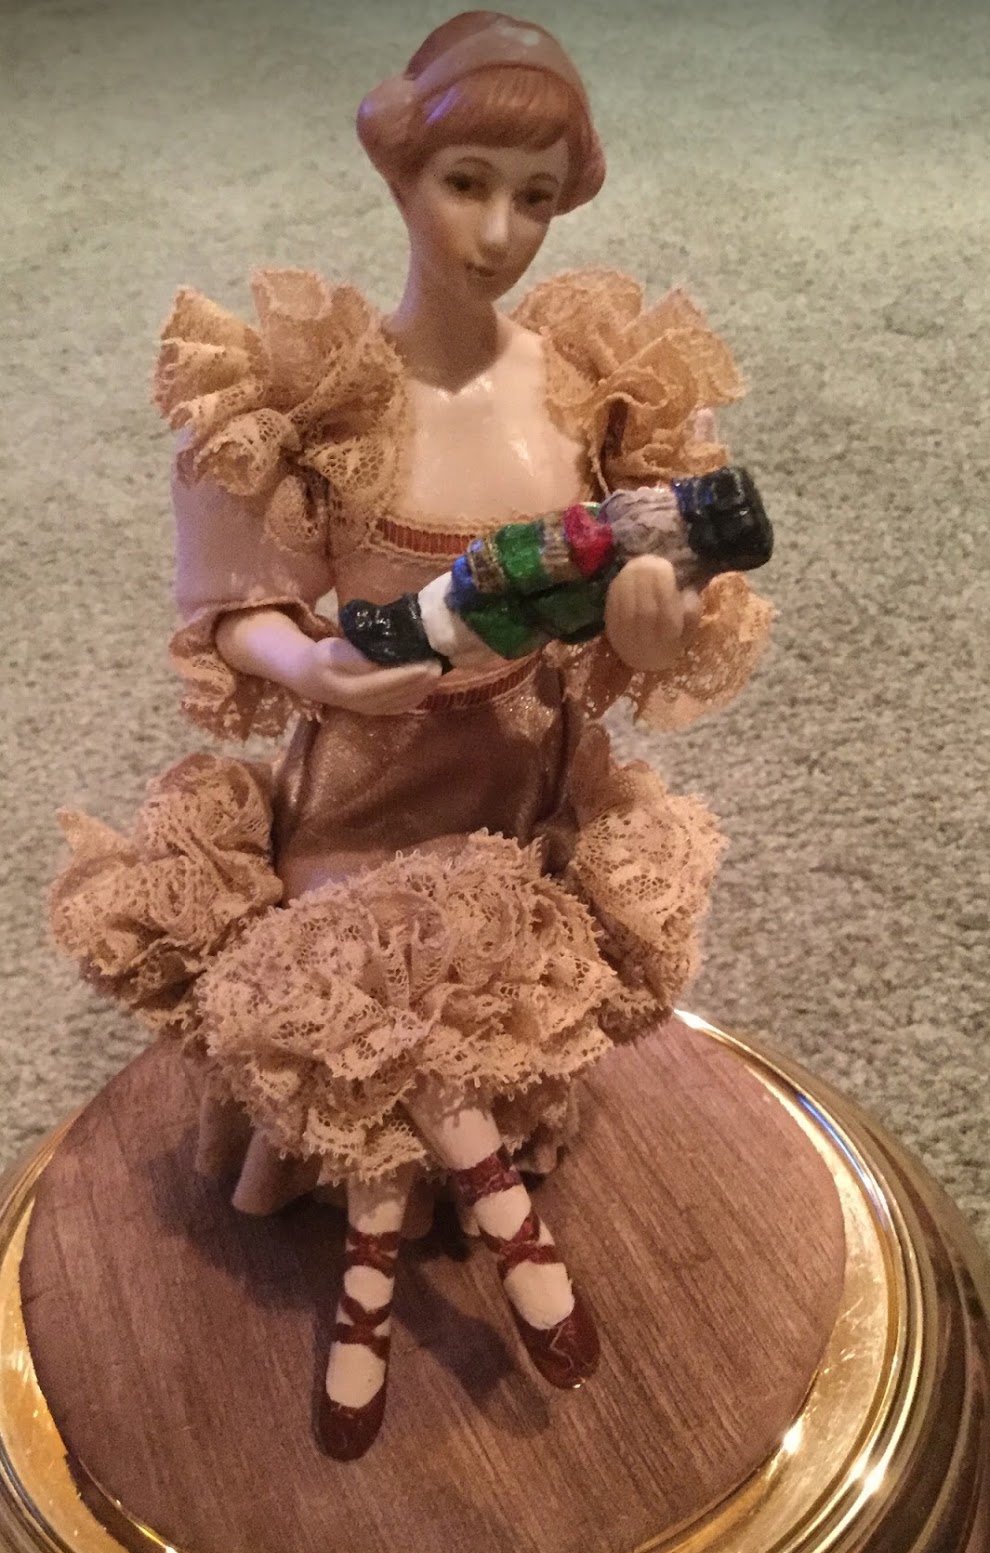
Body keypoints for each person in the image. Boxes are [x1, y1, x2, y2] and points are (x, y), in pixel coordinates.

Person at [51, 10, 773, 1459]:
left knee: (471, 969)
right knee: (372, 977)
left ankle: (377, 1283)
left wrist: (647, 625)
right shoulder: (317, 398)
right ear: (399, 170)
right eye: (467, 183)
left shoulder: (585, 387)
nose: (500, 232)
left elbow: (646, 607)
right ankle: (491, 1247)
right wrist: (315, 668)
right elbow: (232, 604)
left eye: (535, 196)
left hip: (516, 781)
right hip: (366, 794)